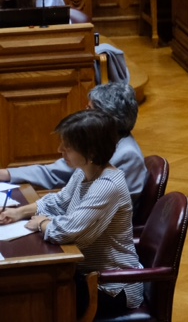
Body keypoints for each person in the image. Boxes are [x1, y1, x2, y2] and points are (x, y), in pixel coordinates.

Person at [0, 110, 144, 317]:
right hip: (81, 274)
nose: (60, 150)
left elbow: (68, 231)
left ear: (91, 151)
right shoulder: (84, 171)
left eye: (67, 147)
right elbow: (58, 202)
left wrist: (41, 224)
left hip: (110, 286)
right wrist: (18, 212)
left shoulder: (108, 186)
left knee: (32, 301)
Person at [0, 82, 146, 197]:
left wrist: (43, 223)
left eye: (89, 109)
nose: (83, 114)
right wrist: (7, 174)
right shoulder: (99, 142)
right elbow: (57, 172)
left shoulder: (127, 156)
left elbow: (100, 211)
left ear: (105, 119)